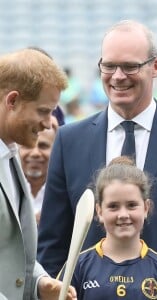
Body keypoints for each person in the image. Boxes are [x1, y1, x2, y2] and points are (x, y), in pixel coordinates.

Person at [38, 19, 157, 296]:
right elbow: (53, 244)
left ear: (156, 67)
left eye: (130, 66)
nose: (118, 76)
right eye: (109, 66)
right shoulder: (69, 141)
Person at [0, 49, 77, 299]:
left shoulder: (10, 153)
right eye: (43, 111)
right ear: (12, 101)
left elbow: (11, 256)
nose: (48, 123)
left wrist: (40, 284)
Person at [58, 156, 157, 299]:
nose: (123, 214)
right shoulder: (77, 267)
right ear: (99, 211)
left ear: (146, 208)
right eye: (113, 206)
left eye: (131, 205)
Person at [19, 115, 59, 225]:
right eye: (27, 146)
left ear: (57, 150)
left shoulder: (65, 192)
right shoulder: (7, 187)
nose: (35, 153)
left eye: (43, 146)